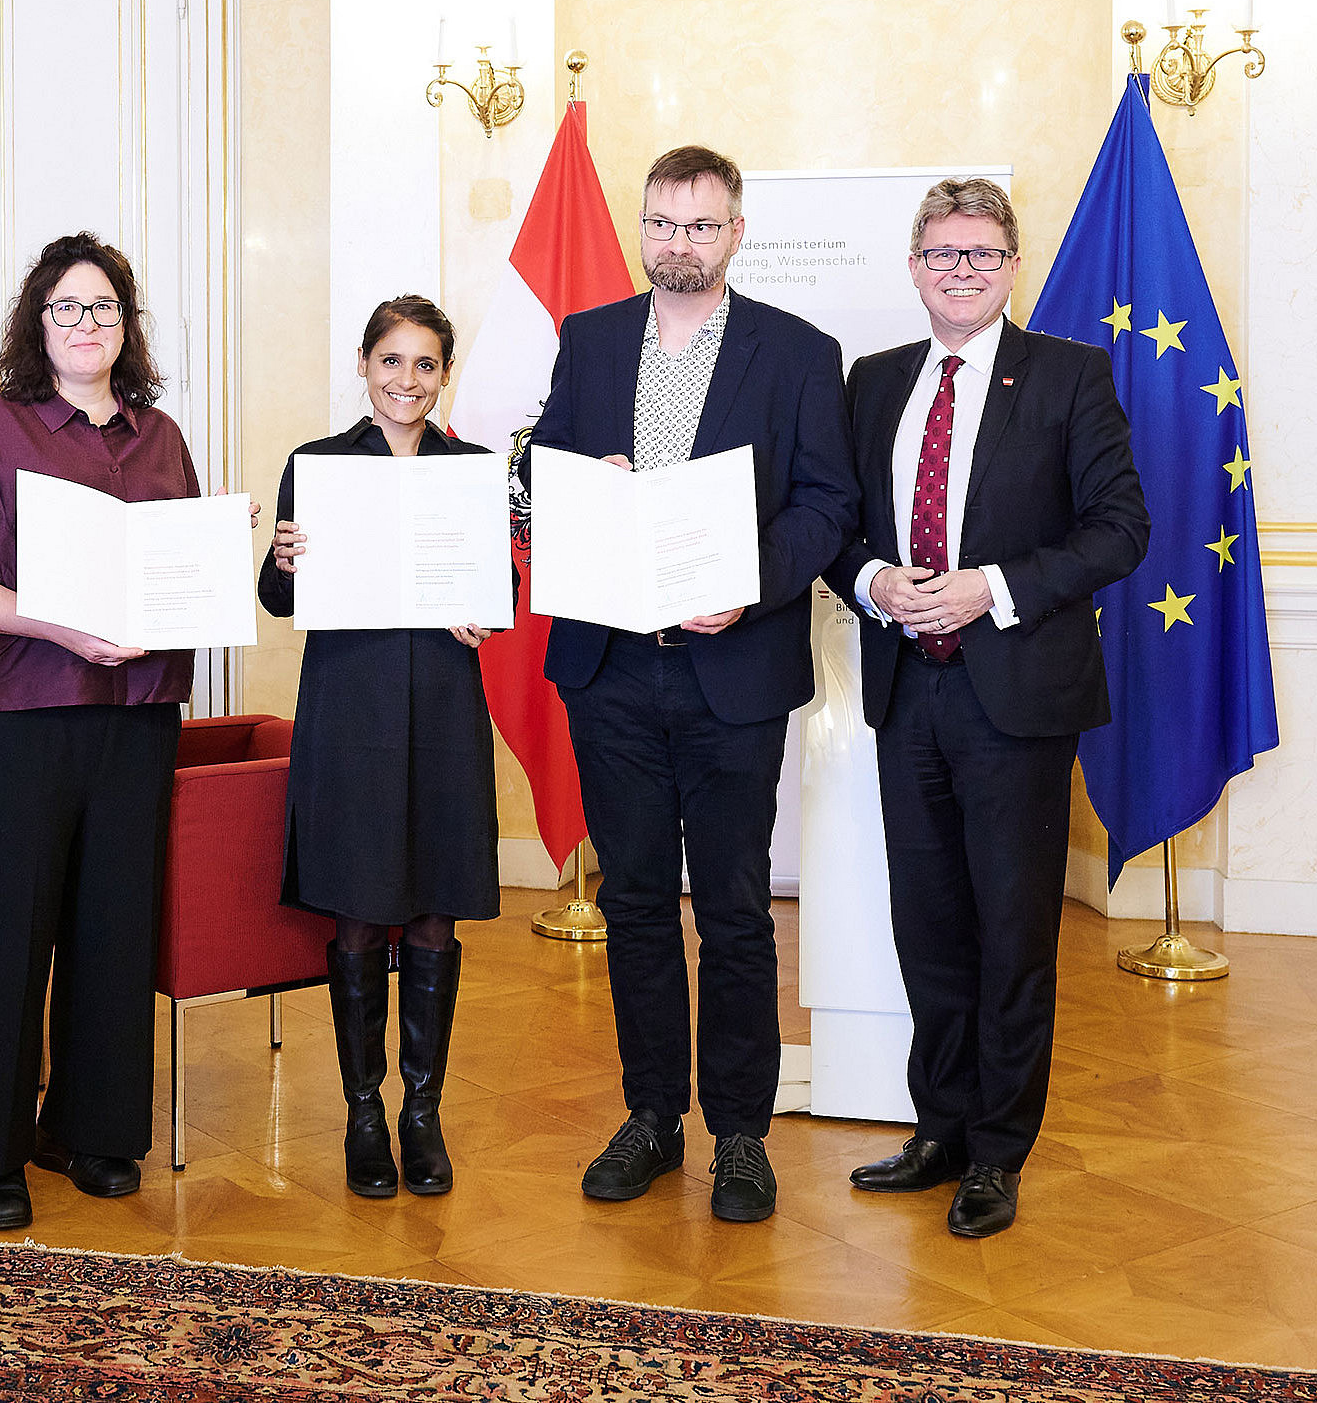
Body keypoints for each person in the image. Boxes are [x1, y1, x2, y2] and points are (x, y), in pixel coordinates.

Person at [519, 144, 856, 1223]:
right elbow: (540, 466)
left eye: (700, 226)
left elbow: (827, 502)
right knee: (631, 903)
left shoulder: (799, 352)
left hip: (730, 670)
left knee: (735, 909)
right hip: (609, 667)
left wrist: (746, 587)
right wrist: (577, 479)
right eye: (661, 223)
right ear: (643, 227)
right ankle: (653, 1116)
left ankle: (741, 1133)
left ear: (735, 233)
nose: (678, 243)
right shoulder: (591, 336)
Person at [823, 179, 1148, 1237]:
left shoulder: (1068, 374)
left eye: (982, 253)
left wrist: (990, 585)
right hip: (906, 688)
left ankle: (998, 1151)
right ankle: (940, 1127)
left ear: (1012, 266)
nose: (961, 270)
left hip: (1017, 693)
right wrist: (874, 579)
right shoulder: (869, 383)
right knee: (928, 926)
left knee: (1010, 931)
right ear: (913, 265)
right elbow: (830, 526)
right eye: (942, 253)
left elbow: (1119, 527)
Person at [0, 232, 253, 1230]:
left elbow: (180, 572)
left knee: (115, 928)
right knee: (7, 935)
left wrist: (209, 566)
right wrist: (55, 620)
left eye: (102, 307)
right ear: (38, 321)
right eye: (66, 307)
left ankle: (92, 1129)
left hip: (137, 715)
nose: (85, 324)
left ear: (126, 325)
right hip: (17, 714)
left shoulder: (161, 438)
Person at [258, 296, 503, 1199]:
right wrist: (282, 560)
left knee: (434, 906)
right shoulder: (317, 466)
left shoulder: (471, 469)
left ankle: (421, 1113)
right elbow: (280, 600)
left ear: (444, 376)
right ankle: (364, 1113)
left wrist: (484, 610)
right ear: (363, 367)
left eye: (425, 365)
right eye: (391, 362)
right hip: (350, 707)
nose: (407, 381)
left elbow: (494, 587)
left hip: (442, 703)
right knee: (359, 906)